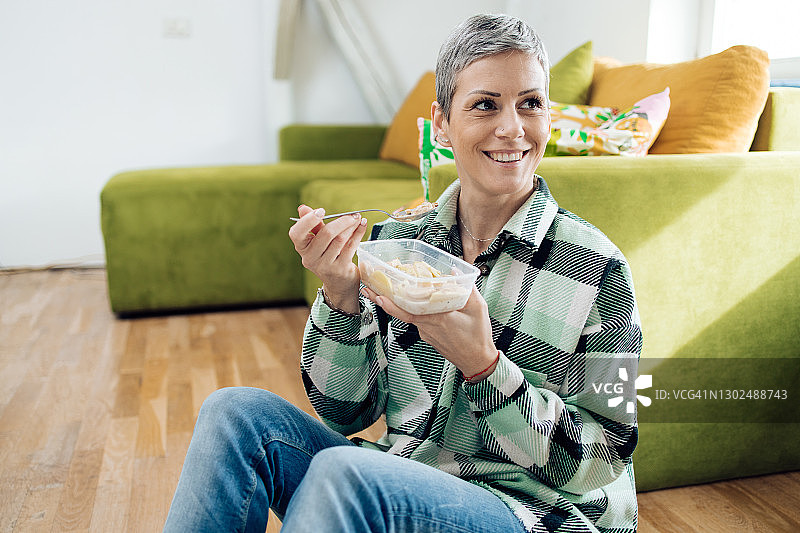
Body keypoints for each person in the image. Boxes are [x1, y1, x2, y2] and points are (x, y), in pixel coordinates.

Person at [164, 13, 641, 533]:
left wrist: (484, 367)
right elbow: (345, 414)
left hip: (534, 514)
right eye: (485, 104)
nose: (513, 128)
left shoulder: (603, 270)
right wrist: (341, 292)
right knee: (234, 415)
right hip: (403, 477)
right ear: (441, 123)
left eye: (531, 103)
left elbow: (608, 456)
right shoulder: (399, 248)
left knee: (346, 473)